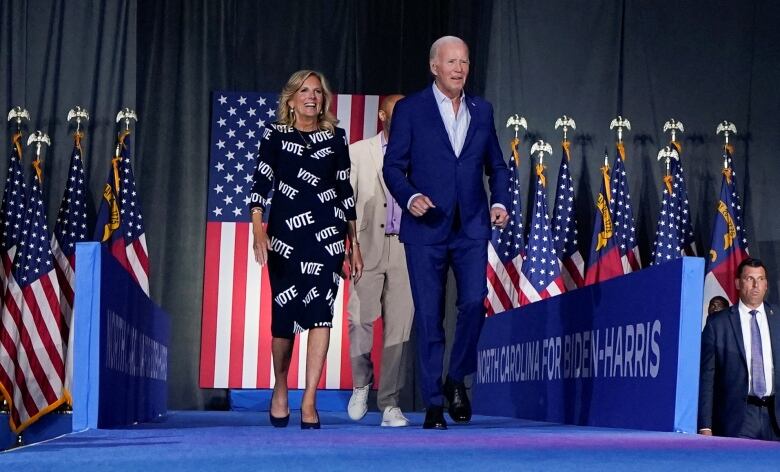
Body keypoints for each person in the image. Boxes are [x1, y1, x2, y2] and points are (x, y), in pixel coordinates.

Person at [383, 36, 510, 429]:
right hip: (426, 228)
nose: (459, 68)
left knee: (474, 303)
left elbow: (498, 167)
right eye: (452, 61)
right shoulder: (411, 110)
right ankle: (434, 402)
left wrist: (500, 202)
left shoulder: (482, 110)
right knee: (430, 315)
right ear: (434, 66)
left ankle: (457, 379)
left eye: (465, 62)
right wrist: (410, 196)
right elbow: (392, 167)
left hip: (471, 226)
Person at [249, 70, 363, 429]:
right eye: (304, 91)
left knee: (320, 313)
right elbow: (260, 183)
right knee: (283, 319)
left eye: (317, 91)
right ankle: (281, 387)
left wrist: (353, 243)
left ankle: (310, 399)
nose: (311, 96)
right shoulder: (275, 135)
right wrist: (257, 228)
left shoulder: (336, 138)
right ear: (291, 99)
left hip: (327, 236)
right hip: (285, 237)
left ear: (324, 99)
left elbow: (345, 192)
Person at [346, 94, 414, 427]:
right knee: (359, 319)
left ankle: (389, 403)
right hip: (367, 246)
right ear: (383, 117)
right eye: (397, 113)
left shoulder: (422, 153)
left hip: (406, 248)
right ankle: (361, 384)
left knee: (398, 327)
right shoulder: (359, 152)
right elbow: (346, 205)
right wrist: (350, 245)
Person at [698, 258, 780, 440]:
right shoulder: (718, 324)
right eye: (749, 278)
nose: (755, 285)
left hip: (775, 418)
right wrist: (705, 425)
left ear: (766, 284)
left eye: (760, 279)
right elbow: (707, 378)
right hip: (738, 419)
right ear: (738, 283)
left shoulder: (778, 319)